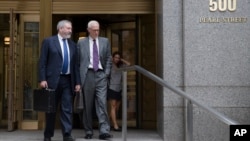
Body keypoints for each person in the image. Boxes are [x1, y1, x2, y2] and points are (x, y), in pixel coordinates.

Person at [38, 19, 81, 141]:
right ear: (60, 28)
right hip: (52, 81)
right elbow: (42, 62)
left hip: (68, 80)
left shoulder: (73, 45)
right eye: (68, 28)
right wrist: (42, 79)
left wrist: (77, 82)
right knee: (50, 110)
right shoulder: (49, 42)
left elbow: (75, 66)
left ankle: (67, 134)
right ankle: (48, 135)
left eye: (70, 28)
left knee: (67, 108)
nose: (70, 31)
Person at [77, 20, 112, 140]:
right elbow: (77, 62)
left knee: (102, 103)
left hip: (101, 75)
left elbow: (108, 58)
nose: (97, 32)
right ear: (89, 30)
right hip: (87, 75)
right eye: (94, 30)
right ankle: (88, 131)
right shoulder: (81, 43)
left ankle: (104, 131)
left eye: (98, 29)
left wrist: (106, 73)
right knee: (87, 105)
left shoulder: (105, 41)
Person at [107, 51, 130, 131]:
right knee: (113, 106)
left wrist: (122, 60)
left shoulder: (121, 65)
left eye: (118, 57)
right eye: (115, 57)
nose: (116, 59)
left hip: (119, 88)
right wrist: (111, 59)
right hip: (112, 88)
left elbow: (129, 64)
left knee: (116, 108)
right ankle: (115, 125)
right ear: (113, 58)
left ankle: (106, 124)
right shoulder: (110, 65)